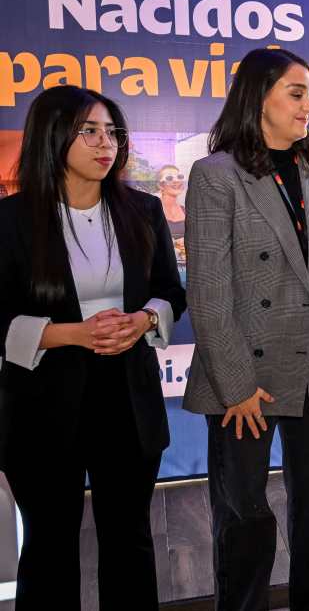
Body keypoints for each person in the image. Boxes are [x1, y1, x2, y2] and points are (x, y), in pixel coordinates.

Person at [0, 85, 186, 609]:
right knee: (49, 548)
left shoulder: (143, 210)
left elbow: (171, 292)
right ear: (52, 136)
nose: (106, 143)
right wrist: (71, 333)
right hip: (42, 402)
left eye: (112, 132)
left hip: (128, 398)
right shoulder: (11, 221)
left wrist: (144, 319)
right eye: (89, 131)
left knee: (130, 541)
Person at [183, 47, 309, 611]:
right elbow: (208, 292)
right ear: (258, 97)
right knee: (245, 520)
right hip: (245, 379)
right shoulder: (215, 175)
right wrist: (236, 387)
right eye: (297, 93)